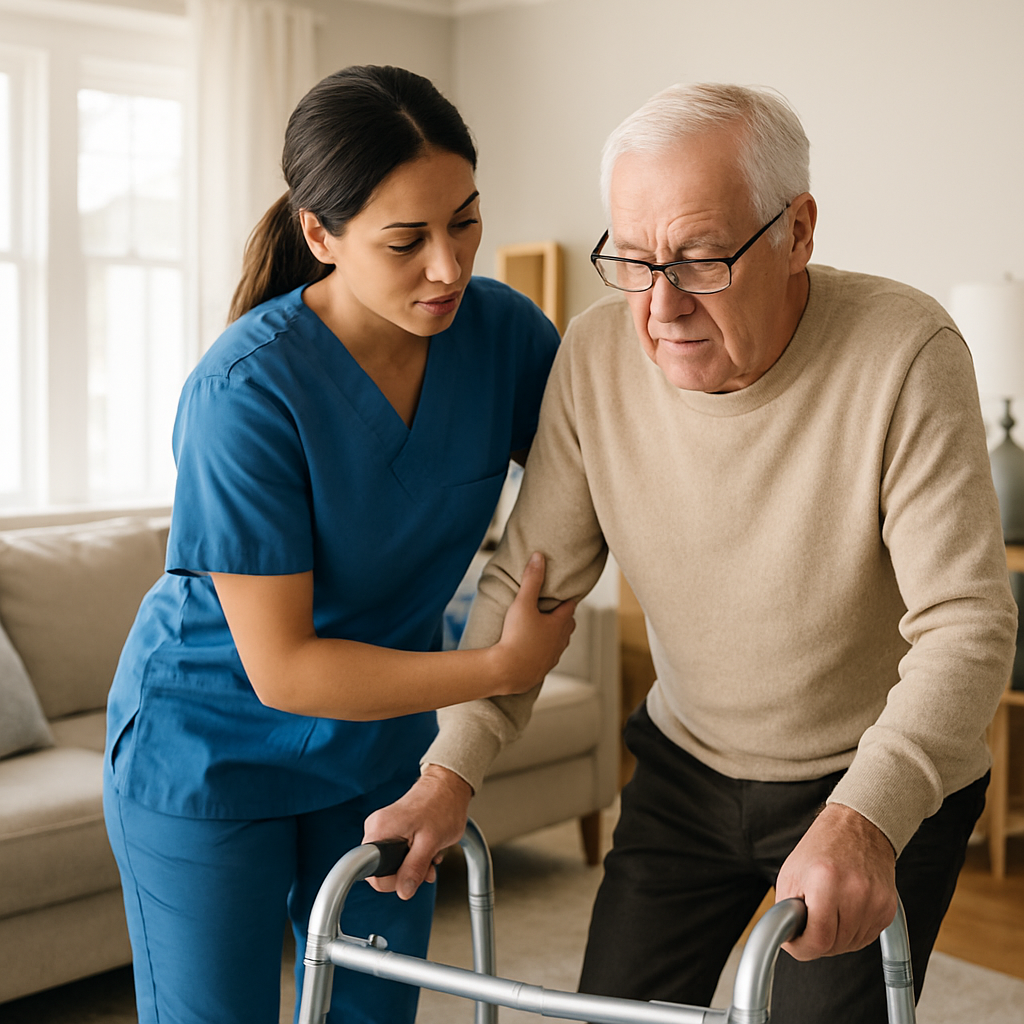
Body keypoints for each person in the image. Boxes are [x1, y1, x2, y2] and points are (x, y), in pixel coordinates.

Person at [364, 83, 1019, 1022]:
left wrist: (865, 817)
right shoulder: (593, 360)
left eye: (700, 259)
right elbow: (529, 582)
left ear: (798, 232)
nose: (660, 305)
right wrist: (447, 772)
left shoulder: (903, 351)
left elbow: (967, 624)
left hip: (870, 774)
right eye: (631, 260)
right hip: (688, 768)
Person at [102, 65, 576, 1024]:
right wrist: (499, 665)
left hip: (377, 753)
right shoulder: (246, 391)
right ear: (320, 236)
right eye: (407, 241)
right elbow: (284, 669)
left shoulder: (504, 338)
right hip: (207, 749)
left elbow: (598, 484)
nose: (449, 266)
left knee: (376, 1012)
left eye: (465, 222)